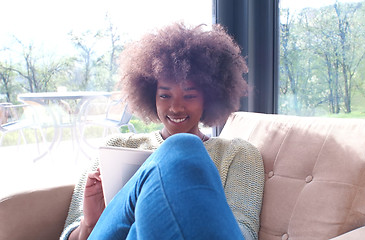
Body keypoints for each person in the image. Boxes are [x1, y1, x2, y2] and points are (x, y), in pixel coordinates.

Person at [60, 23, 264, 240]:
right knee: (181, 146)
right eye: (165, 96)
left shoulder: (238, 153)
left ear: (210, 97)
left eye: (189, 96)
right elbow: (68, 234)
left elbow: (244, 233)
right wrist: (89, 224)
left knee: (181, 149)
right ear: (150, 96)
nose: (176, 107)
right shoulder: (115, 146)